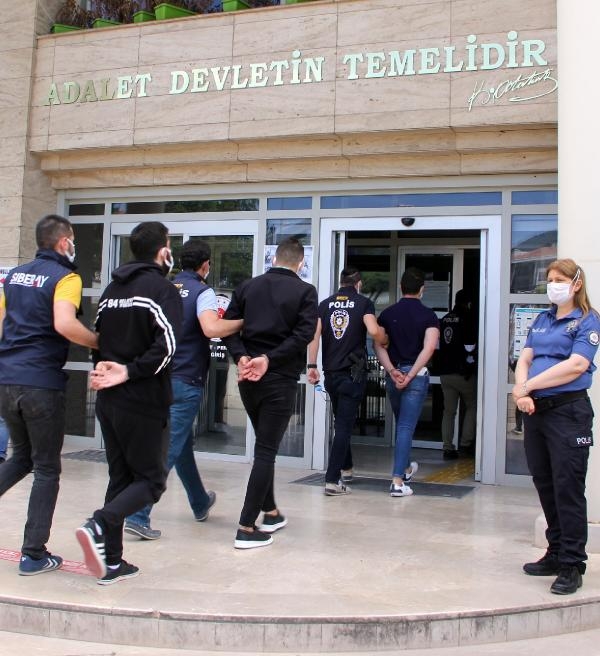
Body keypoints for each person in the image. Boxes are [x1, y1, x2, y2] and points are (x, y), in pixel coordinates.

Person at [75, 221, 183, 585]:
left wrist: (103, 368)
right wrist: (129, 371)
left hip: (110, 401)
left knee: (120, 478)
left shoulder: (111, 290)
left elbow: (99, 337)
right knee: (151, 482)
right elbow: (167, 346)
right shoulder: (162, 290)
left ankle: (112, 561)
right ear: (163, 251)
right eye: (169, 246)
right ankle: (99, 524)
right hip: (143, 399)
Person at [0, 214, 98, 575]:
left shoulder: (13, 276)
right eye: (72, 239)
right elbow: (64, 324)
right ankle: (34, 554)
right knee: (46, 468)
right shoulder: (66, 277)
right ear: (63, 242)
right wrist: (101, 343)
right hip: (41, 384)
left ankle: (34, 551)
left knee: (21, 458)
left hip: (7, 381)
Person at [125, 240, 242, 539]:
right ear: (205, 265)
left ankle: (200, 502)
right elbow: (211, 329)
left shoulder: (164, 288)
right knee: (167, 450)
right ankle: (138, 514)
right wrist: (242, 322)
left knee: (181, 445)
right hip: (186, 380)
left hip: (158, 377)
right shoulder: (203, 292)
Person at [223, 238, 317, 549]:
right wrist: (269, 359)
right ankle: (246, 527)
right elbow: (304, 334)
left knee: (265, 444)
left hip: (248, 378)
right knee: (265, 451)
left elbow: (229, 328)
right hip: (278, 378)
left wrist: (242, 357)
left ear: (274, 259)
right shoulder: (305, 291)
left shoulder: (247, 287)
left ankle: (272, 512)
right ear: (300, 263)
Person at [513, 259, 600, 595]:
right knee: (545, 482)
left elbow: (576, 365)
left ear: (576, 284)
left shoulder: (587, 320)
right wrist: (523, 392)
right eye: (550, 279)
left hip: (568, 413)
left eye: (559, 279)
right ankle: (555, 550)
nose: (553, 285)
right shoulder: (542, 320)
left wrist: (528, 387)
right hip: (537, 411)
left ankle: (572, 564)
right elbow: (525, 359)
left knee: (568, 486)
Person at [307, 266, 388, 495]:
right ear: (358, 284)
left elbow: (314, 335)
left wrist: (312, 366)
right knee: (343, 426)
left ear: (341, 283)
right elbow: (373, 331)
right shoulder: (363, 303)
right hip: (352, 375)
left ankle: (347, 468)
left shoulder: (325, 305)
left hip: (331, 375)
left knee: (341, 422)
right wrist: (384, 337)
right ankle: (332, 481)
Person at [374, 268, 439, 497]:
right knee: (405, 427)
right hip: (415, 376)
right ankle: (397, 481)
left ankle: (407, 469)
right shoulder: (429, 316)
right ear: (422, 290)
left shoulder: (387, 314)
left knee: (402, 425)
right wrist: (411, 375)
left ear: (401, 287)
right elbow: (429, 348)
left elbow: (378, 345)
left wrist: (392, 371)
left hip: (394, 376)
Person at [437, 289, 478, 460]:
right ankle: (465, 444)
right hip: (463, 373)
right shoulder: (467, 318)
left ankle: (447, 448)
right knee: (473, 406)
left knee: (449, 411)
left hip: (445, 373)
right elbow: (469, 347)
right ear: (468, 303)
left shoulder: (445, 318)